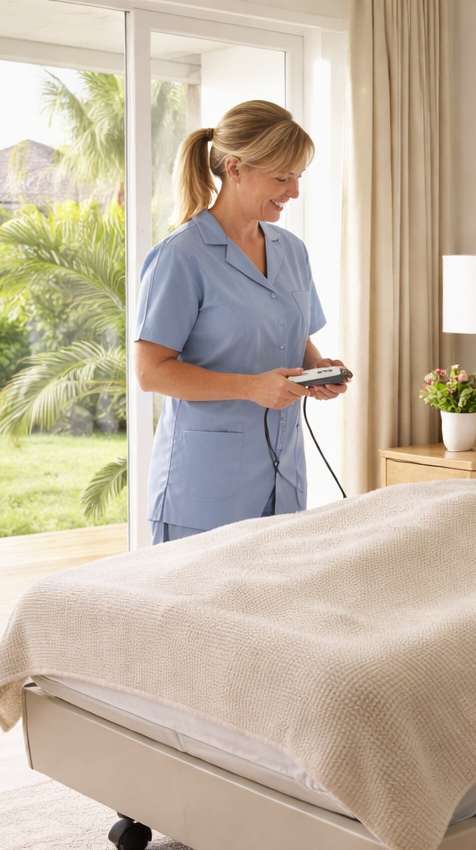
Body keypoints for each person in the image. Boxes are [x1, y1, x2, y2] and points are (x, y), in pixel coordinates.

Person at [133, 100, 349, 544]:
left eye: (298, 178)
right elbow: (150, 372)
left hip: (281, 478)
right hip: (205, 489)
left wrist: (318, 370)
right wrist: (251, 387)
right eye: (281, 177)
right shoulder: (181, 256)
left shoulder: (291, 250)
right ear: (234, 168)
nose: (293, 191)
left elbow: (293, 332)